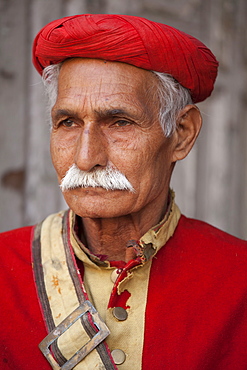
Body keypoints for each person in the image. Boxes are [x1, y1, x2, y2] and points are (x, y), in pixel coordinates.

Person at [1, 13, 247, 370]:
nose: (85, 159)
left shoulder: (237, 280)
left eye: (120, 122)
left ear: (182, 133)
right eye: (68, 122)